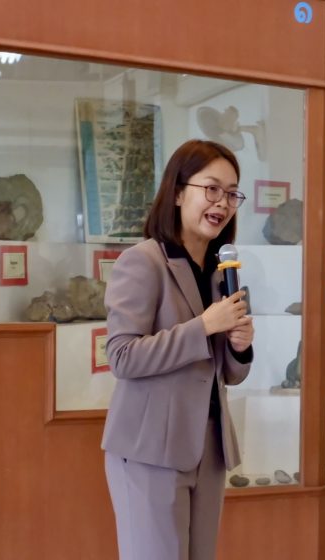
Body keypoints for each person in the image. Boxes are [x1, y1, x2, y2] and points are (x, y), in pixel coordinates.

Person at [101, 139, 254, 560]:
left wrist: (240, 348)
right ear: (178, 192)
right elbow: (122, 356)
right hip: (150, 448)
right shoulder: (142, 261)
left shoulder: (223, 273)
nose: (222, 203)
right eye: (212, 188)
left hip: (209, 446)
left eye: (232, 193)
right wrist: (203, 326)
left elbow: (228, 372)